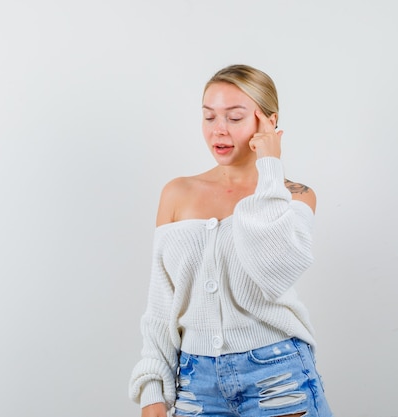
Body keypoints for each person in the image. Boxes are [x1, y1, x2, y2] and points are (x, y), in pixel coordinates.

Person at [128, 64, 333, 417]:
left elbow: (273, 270)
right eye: (209, 117)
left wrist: (270, 165)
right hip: (194, 386)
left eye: (235, 118)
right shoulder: (177, 193)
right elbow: (161, 305)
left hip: (277, 378)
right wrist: (152, 393)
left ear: (268, 122)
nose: (218, 130)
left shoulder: (295, 197)